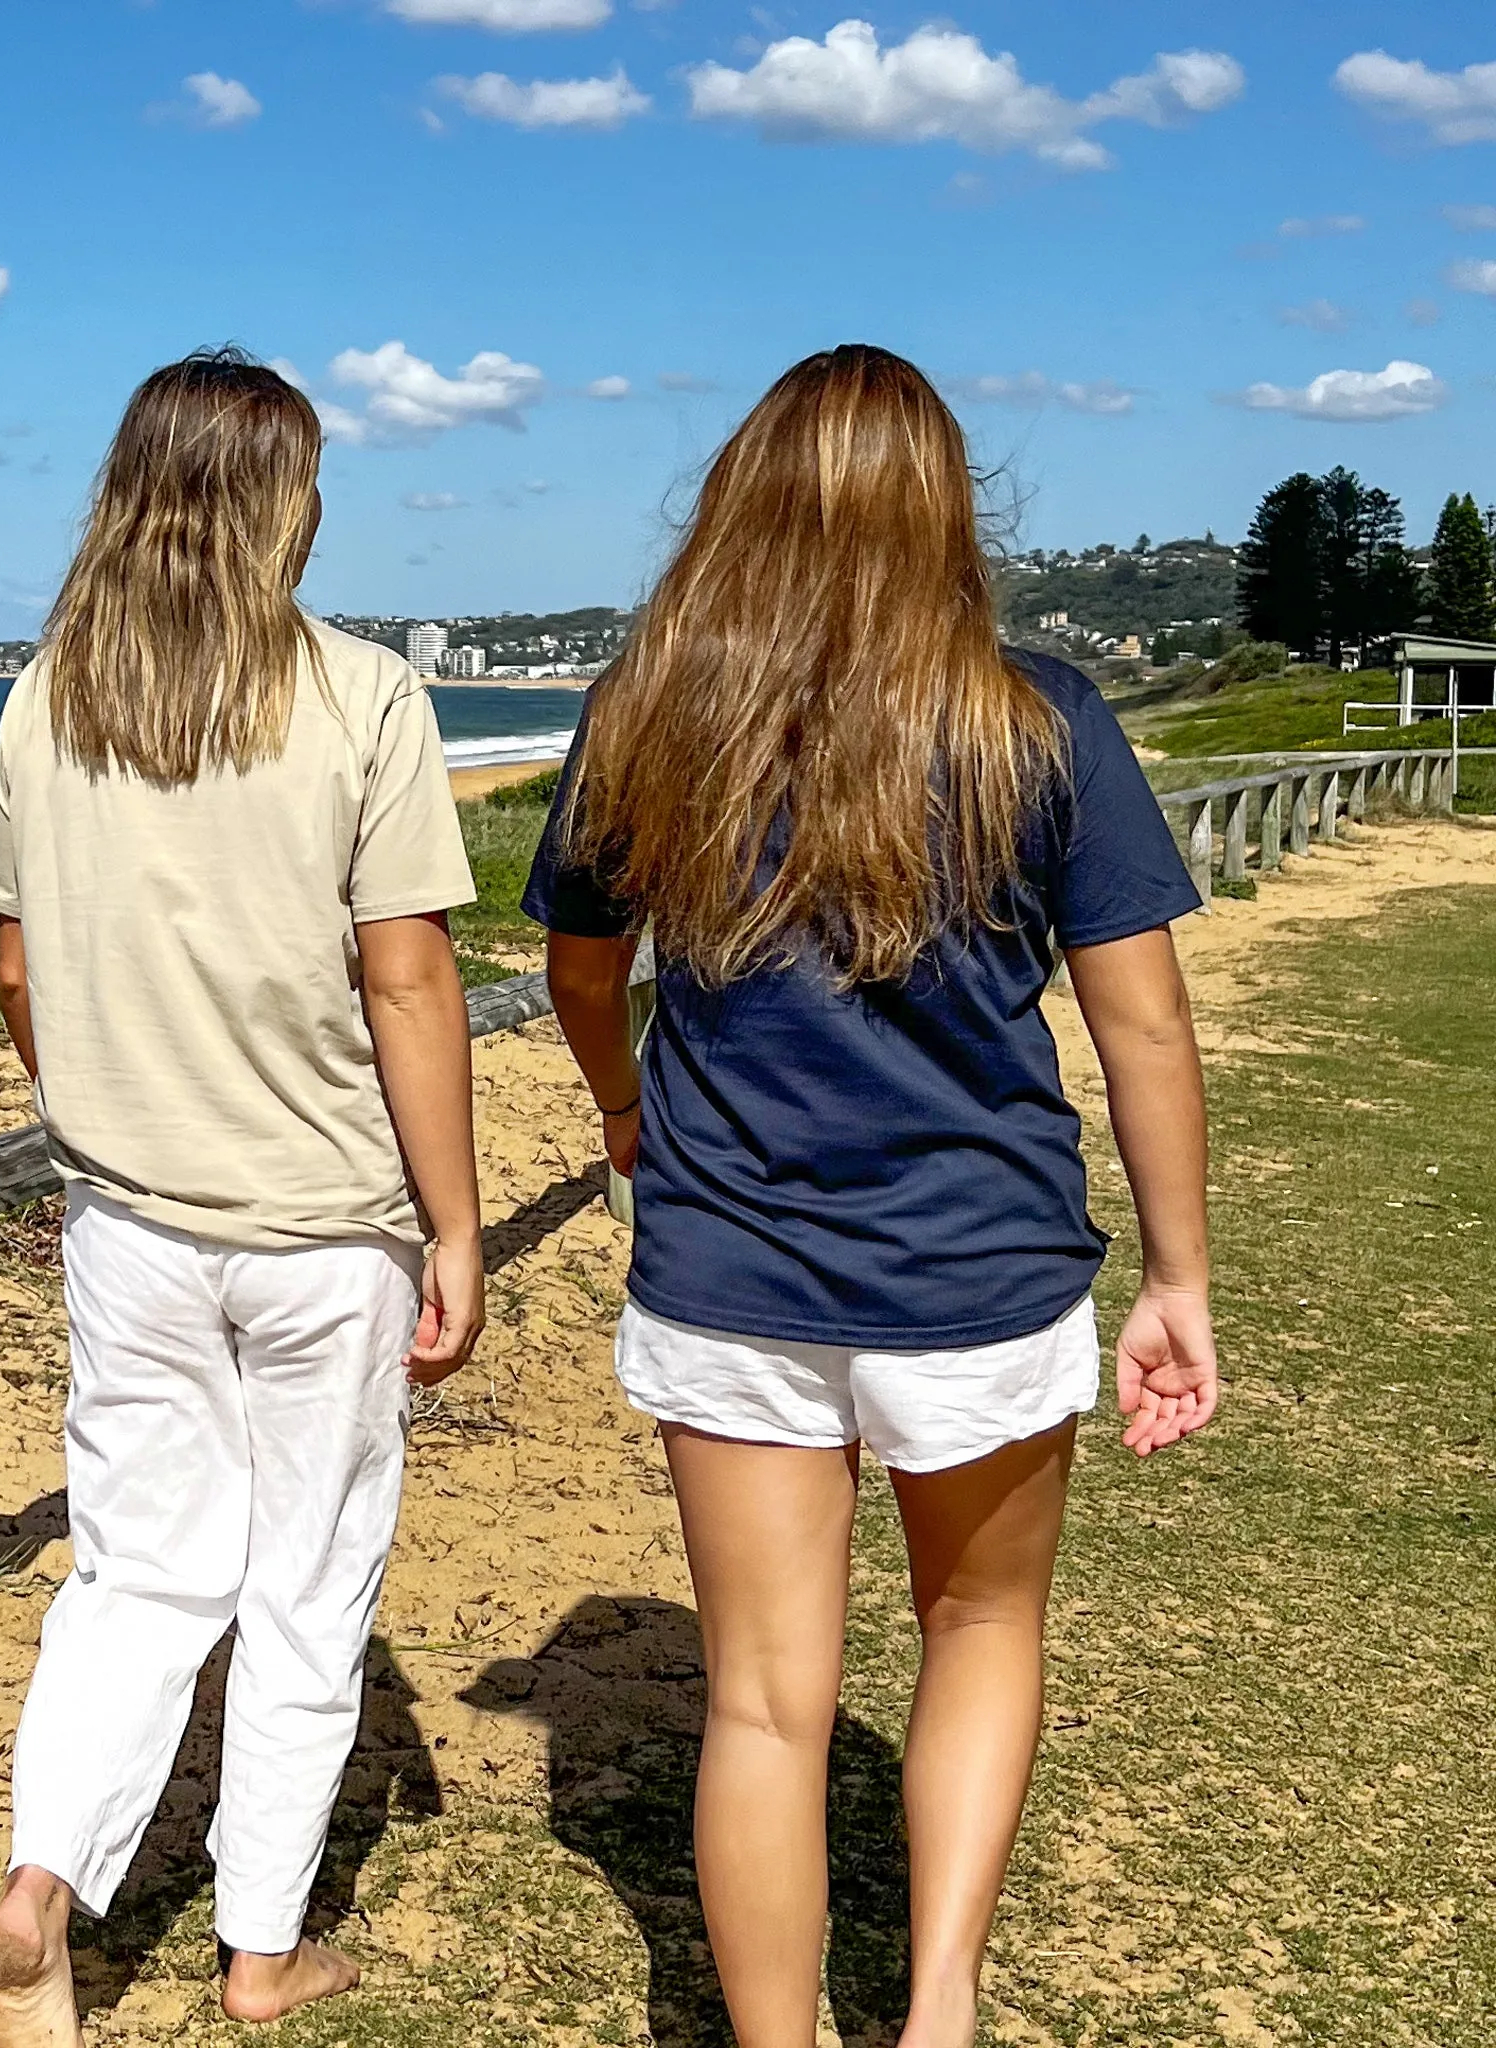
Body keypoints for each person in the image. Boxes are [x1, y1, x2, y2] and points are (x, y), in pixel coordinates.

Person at [525, 344, 1217, 2048]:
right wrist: (1179, 1276)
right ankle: (939, 2011)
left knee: (763, 1703)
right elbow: (1142, 1026)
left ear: (737, 506)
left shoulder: (649, 719)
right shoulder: (1034, 716)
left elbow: (580, 968)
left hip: (728, 1265)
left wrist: (627, 1114)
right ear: (945, 513)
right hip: (982, 1268)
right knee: (980, 1622)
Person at [0, 349, 486, 2046]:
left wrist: (97, 1127)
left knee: (135, 1573)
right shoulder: (363, 700)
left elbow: (23, 976)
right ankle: (258, 1954)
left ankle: (48, 1879)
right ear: (286, 502)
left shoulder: (51, 697)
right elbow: (407, 984)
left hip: (129, 1217)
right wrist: (458, 1226)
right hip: (325, 1223)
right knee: (305, 1588)